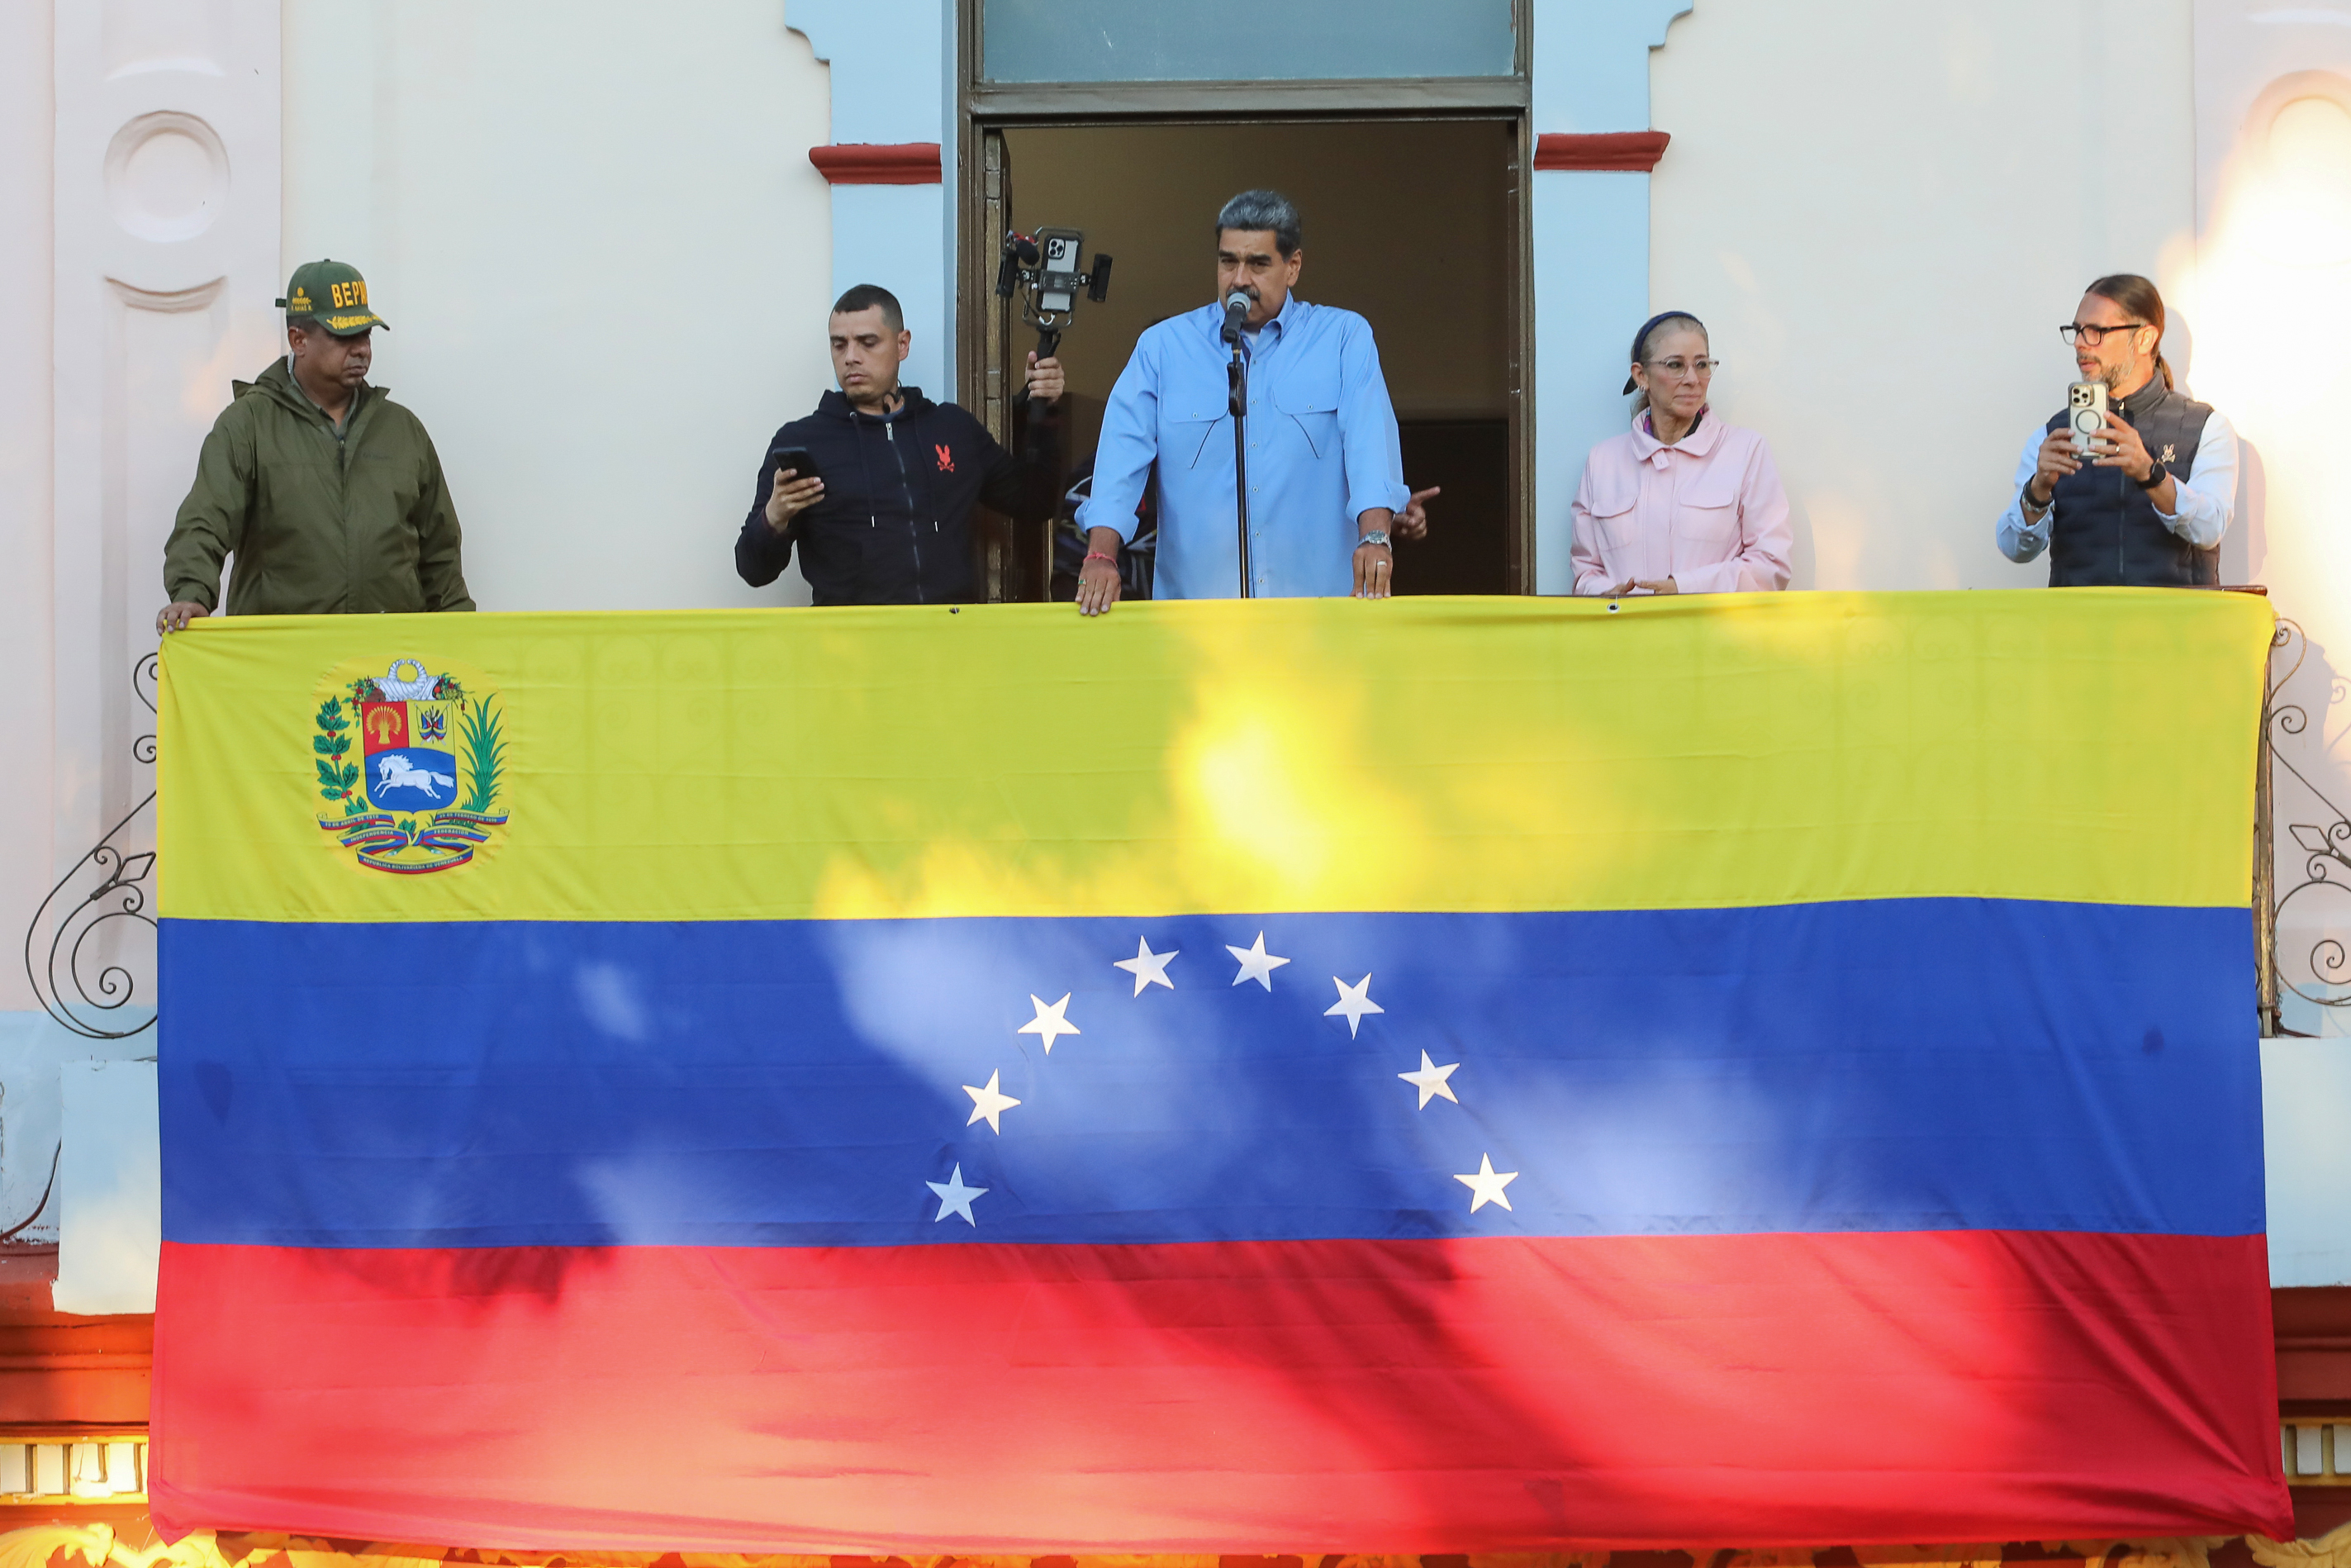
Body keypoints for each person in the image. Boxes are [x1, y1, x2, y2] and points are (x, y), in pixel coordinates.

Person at [1071, 189, 1434, 615]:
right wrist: (1101, 555)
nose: (1240, 279)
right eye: (1228, 262)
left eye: (1258, 264)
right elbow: (1121, 458)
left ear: (1292, 266)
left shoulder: (1342, 338)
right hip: (1196, 622)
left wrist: (1376, 539)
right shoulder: (1163, 348)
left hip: (1321, 615)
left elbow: (1370, 448)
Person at [157, 259, 473, 631]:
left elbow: (441, 550)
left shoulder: (403, 430)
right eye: (344, 337)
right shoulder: (248, 425)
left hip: (386, 664)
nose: (361, 350)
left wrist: (458, 629)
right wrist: (191, 592)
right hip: (282, 661)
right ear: (298, 340)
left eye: (366, 335)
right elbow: (204, 520)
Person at [736, 284, 1066, 605]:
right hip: (850, 649)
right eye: (839, 345)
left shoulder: (952, 428)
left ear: (902, 344)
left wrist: (1043, 409)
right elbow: (753, 570)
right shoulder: (802, 441)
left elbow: (1035, 501)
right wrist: (773, 518)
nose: (851, 357)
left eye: (867, 343)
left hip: (948, 640)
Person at [1995, 273, 2237, 586]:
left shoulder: (2205, 427)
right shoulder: (2052, 435)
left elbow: (2209, 529)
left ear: (2144, 339)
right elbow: (2014, 548)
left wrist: (2151, 474)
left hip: (2177, 629)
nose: (2081, 343)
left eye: (2096, 331)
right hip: (2080, 629)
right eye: (2077, 330)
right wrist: (2038, 490)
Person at [1570, 311, 1791, 596]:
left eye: (1702, 365)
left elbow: (1771, 565)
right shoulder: (1602, 462)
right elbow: (1584, 572)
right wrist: (1613, 596)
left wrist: (1683, 590)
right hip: (1626, 636)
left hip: (1711, 637)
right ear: (1641, 376)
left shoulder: (1747, 451)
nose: (1692, 379)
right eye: (1675, 365)